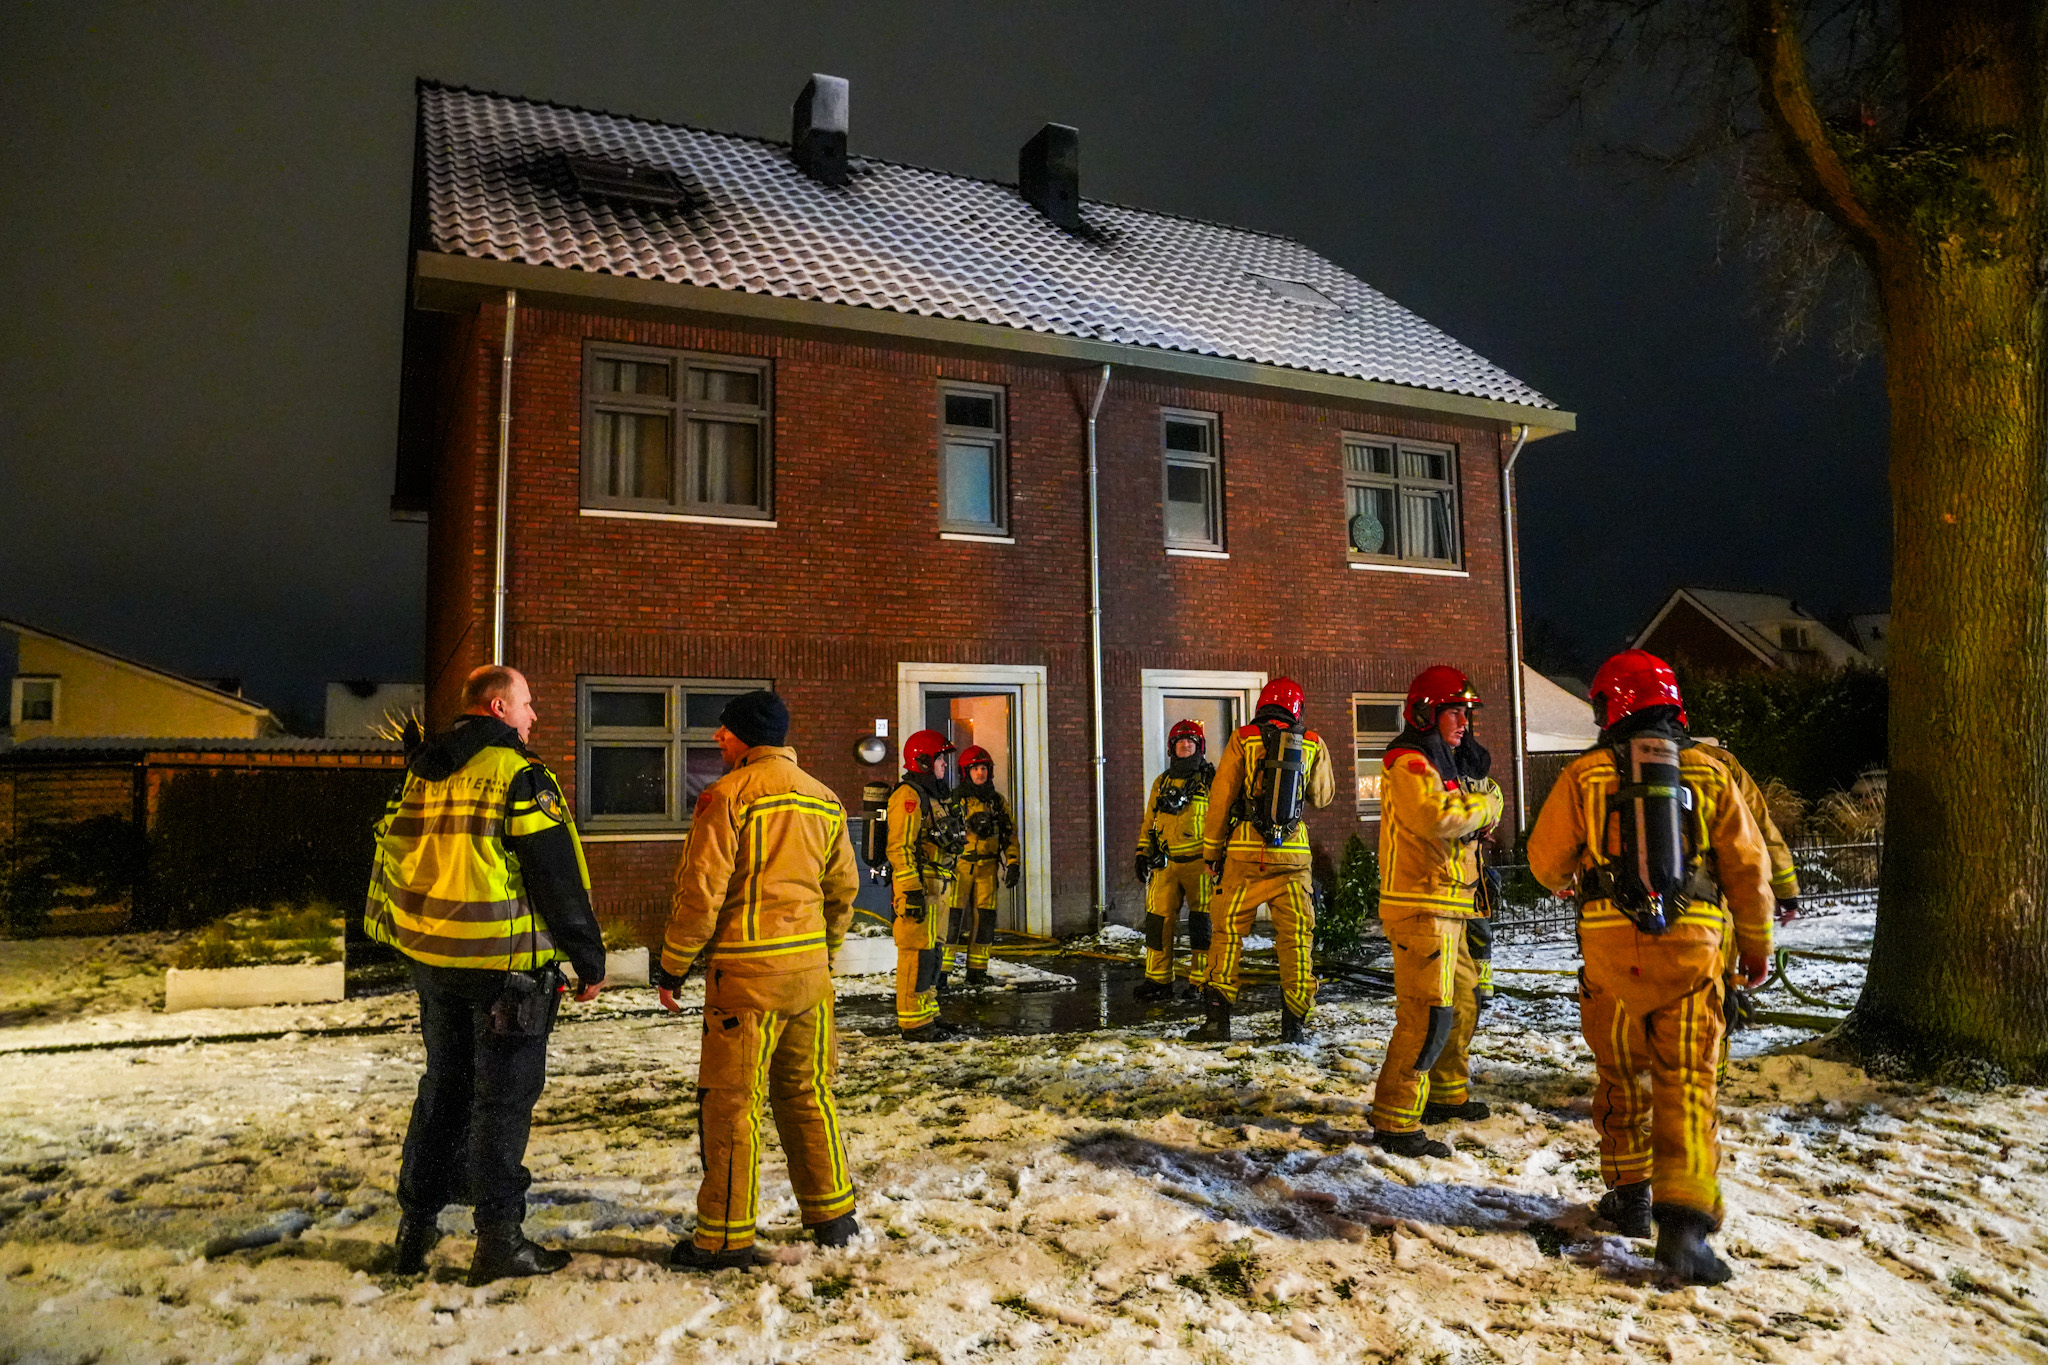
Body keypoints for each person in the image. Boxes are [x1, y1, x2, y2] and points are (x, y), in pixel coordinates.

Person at [1526, 649, 1773, 1285]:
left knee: (1620, 1074)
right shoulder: (1711, 773)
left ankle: (1628, 1197)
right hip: (1693, 949)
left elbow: (1545, 861)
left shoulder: (1585, 774)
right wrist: (1756, 946)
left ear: (1610, 708)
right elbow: (1749, 869)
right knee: (1686, 1082)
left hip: (1609, 954)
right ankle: (1684, 1231)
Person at [364, 665, 607, 1285]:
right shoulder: (520, 777)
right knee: (501, 1103)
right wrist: (588, 957)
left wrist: (398, 936)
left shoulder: (423, 771)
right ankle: (498, 1241)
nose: (534, 717)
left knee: (443, 1090)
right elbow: (555, 873)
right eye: (528, 704)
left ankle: (414, 1232)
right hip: (504, 972)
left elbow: (389, 856)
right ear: (499, 707)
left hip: (436, 962)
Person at [652, 690, 861, 1268]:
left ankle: (722, 1240)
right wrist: (826, 951)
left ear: (746, 734)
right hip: (809, 983)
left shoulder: (726, 796)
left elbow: (701, 893)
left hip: (745, 982)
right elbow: (843, 889)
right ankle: (833, 1217)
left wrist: (673, 964)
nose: (717, 738)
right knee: (808, 1094)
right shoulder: (825, 799)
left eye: (724, 730)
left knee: (731, 1106)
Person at [1368, 667, 1504, 1158]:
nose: (1464, 721)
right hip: (1420, 906)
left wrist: (1475, 821)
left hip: (1451, 904)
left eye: (1466, 712)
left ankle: (1447, 1094)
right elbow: (1436, 817)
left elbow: (1454, 818)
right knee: (1427, 1015)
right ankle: (1396, 1120)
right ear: (1427, 712)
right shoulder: (1409, 761)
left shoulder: (1441, 764)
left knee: (1463, 1002)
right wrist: (1485, 808)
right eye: (1454, 711)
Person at [1188, 678, 1335, 1043]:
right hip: (1294, 857)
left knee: (1226, 936)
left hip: (1244, 855)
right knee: (1297, 938)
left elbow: (1220, 801)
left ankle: (1217, 1023)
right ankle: (1294, 1027)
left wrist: (1211, 854)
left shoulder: (1244, 738)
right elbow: (1322, 798)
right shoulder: (1313, 742)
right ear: (1297, 708)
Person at [1693, 738, 1802, 1082]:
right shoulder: (1716, 763)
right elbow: (1758, 832)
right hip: (1708, 912)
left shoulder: (1597, 767)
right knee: (1714, 999)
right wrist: (1786, 890)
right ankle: (1709, 1083)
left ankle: (1643, 1088)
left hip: (1621, 918)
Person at [887, 729, 967, 1040]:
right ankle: (913, 1022)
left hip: (940, 885)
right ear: (922, 761)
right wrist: (911, 890)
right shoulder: (908, 796)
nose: (944, 765)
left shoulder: (935, 796)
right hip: (921, 888)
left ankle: (928, 1013)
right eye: (939, 760)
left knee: (933, 952)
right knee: (916, 953)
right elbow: (899, 847)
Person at [1133, 719, 1214, 1002]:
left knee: (1201, 925)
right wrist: (1142, 852)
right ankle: (1158, 980)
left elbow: (1223, 820)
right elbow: (1150, 820)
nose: (1185, 746)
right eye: (1180, 743)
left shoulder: (1210, 782)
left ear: (1199, 747)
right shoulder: (1162, 782)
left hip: (1200, 865)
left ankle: (1202, 982)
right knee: (1157, 922)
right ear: (1172, 748)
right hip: (1165, 864)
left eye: (1190, 743)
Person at [949, 745, 1020, 988]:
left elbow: (1009, 835)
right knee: (951, 920)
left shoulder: (997, 802)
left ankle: (977, 970)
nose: (980, 773)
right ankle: (943, 971)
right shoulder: (955, 800)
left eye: (983, 768)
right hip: (959, 868)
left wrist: (1013, 864)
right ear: (965, 772)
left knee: (985, 921)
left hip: (987, 869)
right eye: (975, 768)